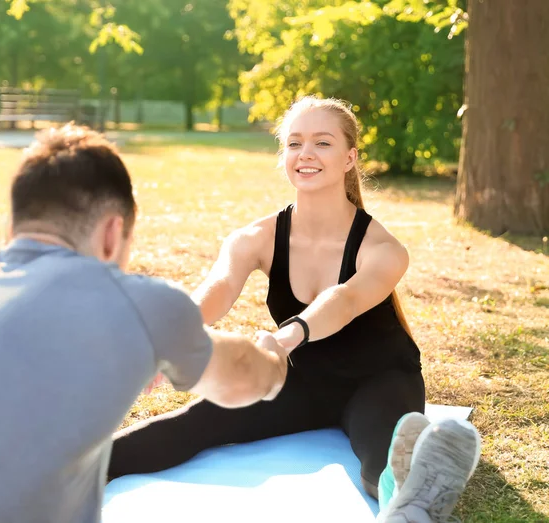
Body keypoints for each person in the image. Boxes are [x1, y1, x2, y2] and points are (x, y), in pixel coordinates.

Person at [0, 125, 288, 523]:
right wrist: (274, 358)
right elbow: (244, 377)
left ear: (11, 227)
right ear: (113, 234)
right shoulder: (140, 303)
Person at [109, 96, 424, 492]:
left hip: (379, 380)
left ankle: (418, 494)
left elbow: (344, 300)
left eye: (323, 143)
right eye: (294, 143)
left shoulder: (383, 249)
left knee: (382, 472)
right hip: (302, 378)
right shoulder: (256, 237)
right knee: (193, 423)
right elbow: (219, 288)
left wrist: (283, 338)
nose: (305, 154)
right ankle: (65, 473)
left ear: (349, 158)